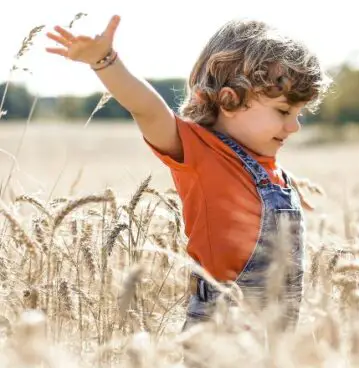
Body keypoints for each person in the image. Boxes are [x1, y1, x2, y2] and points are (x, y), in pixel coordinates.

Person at [45, 15, 332, 331]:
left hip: (276, 331)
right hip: (221, 326)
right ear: (229, 100)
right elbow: (148, 110)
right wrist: (104, 60)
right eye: (283, 112)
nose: (295, 126)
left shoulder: (272, 171)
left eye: (298, 113)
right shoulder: (200, 153)